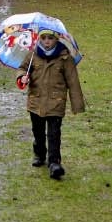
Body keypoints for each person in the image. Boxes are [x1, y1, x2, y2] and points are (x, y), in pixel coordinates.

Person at [16, 29, 86, 179]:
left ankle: (54, 163)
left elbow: (73, 81)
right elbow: (22, 68)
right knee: (38, 131)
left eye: (50, 38)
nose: (47, 41)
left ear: (57, 39)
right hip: (36, 101)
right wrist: (22, 77)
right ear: (40, 39)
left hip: (56, 102)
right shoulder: (33, 54)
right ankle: (40, 154)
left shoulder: (65, 57)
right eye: (44, 38)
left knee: (54, 134)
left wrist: (77, 104)